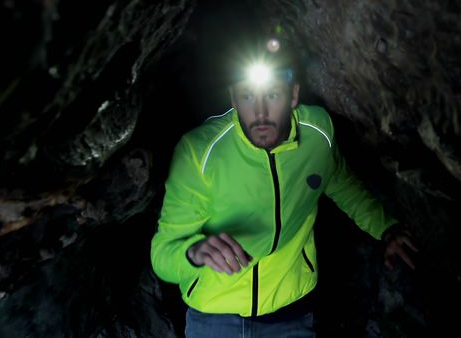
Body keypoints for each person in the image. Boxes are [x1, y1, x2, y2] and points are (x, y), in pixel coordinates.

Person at [150, 38, 418, 337]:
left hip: (291, 314)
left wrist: (386, 229)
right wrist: (194, 253)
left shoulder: (317, 132)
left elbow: (341, 184)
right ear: (234, 99)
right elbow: (163, 256)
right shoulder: (200, 152)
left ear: (293, 96)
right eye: (248, 97)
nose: (261, 112)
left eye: (273, 95)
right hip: (216, 317)